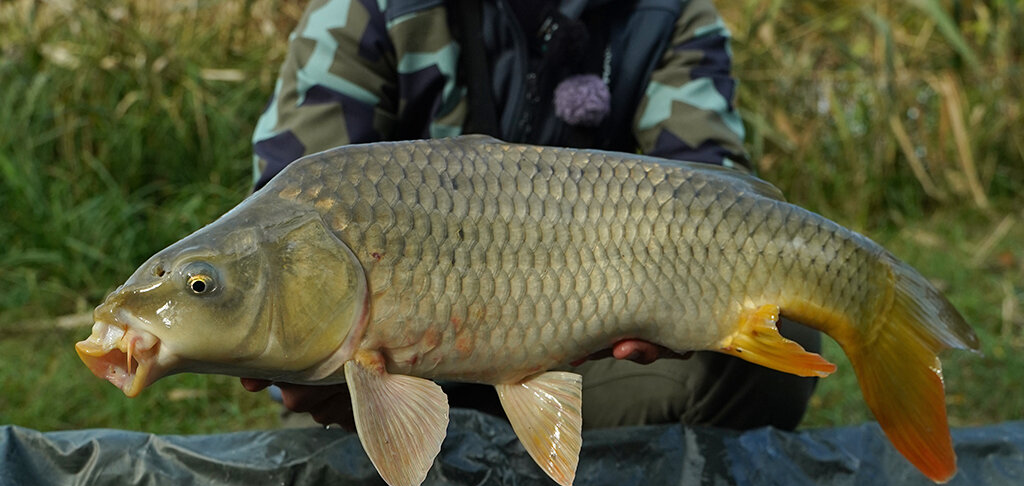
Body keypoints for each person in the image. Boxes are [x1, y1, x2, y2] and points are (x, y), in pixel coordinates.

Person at [242, 0, 820, 432]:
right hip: (379, 371)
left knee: (775, 318)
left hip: (580, 354)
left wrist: (682, 298)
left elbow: (720, 198)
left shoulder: (669, 14)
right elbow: (280, 220)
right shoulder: (369, 8)